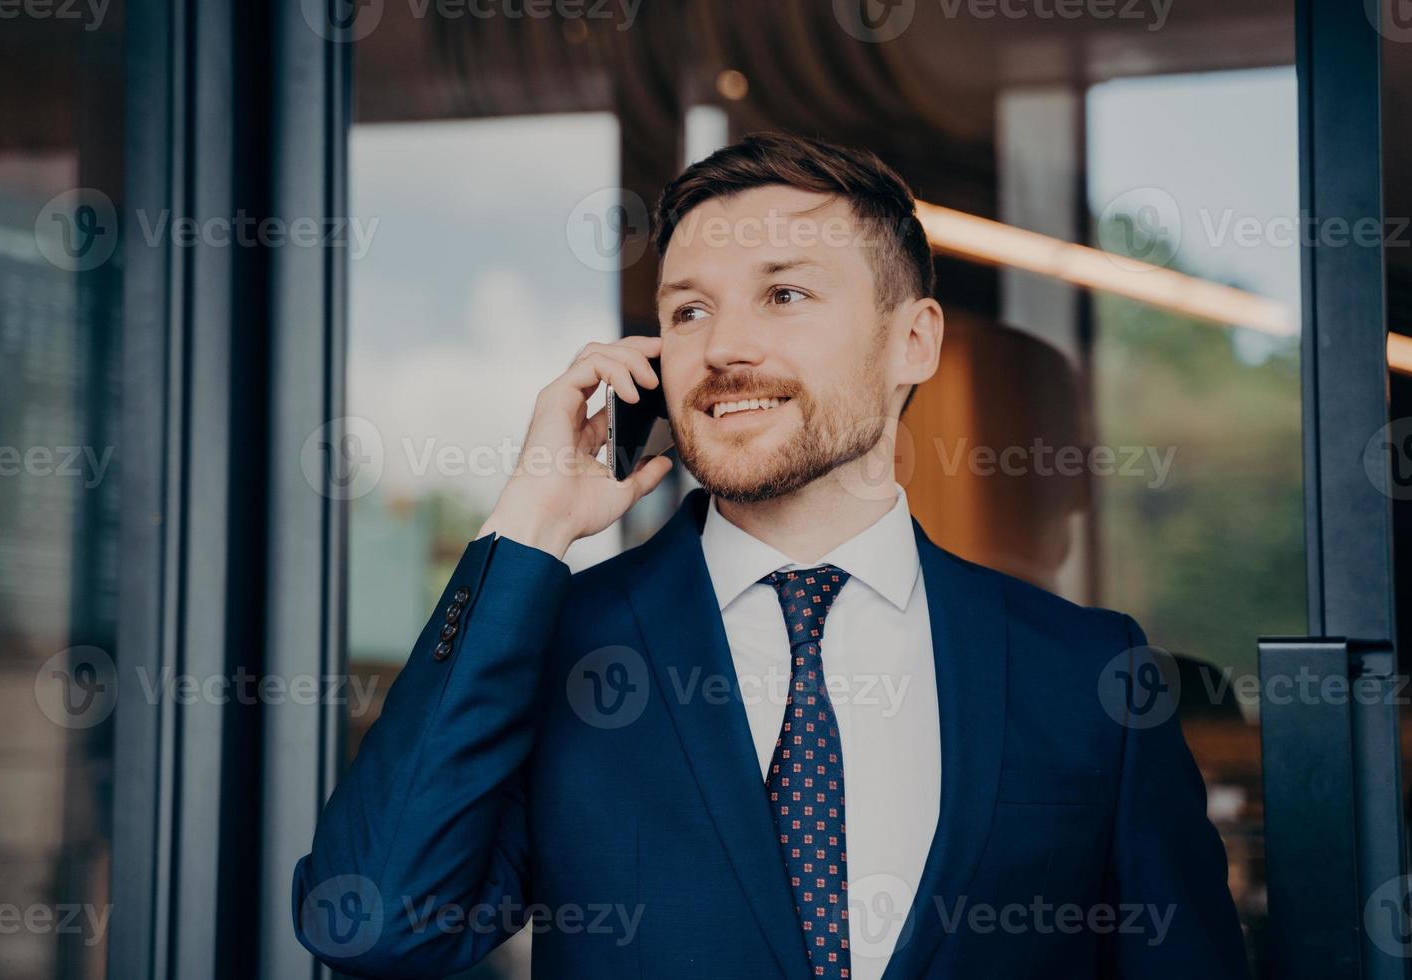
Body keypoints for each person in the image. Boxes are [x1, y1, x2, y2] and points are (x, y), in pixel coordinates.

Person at [292, 131, 1248, 979]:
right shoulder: (562, 652)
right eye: (689, 312)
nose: (724, 347)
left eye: (784, 293)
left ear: (912, 340)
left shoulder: (1085, 675)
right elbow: (373, 922)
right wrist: (528, 524)